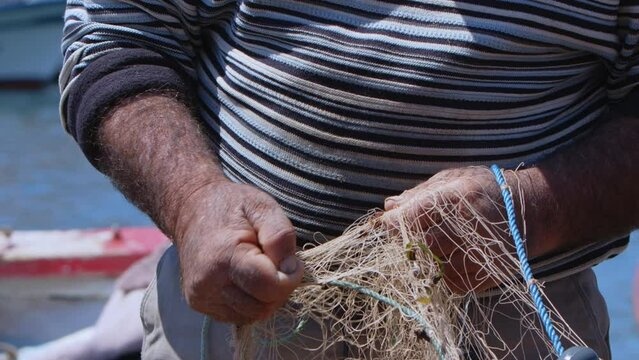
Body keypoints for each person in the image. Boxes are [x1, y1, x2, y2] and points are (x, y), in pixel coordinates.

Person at [59, 1, 638, 359]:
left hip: (517, 318)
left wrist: (536, 206)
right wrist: (193, 202)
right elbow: (116, 39)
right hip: (235, 311)